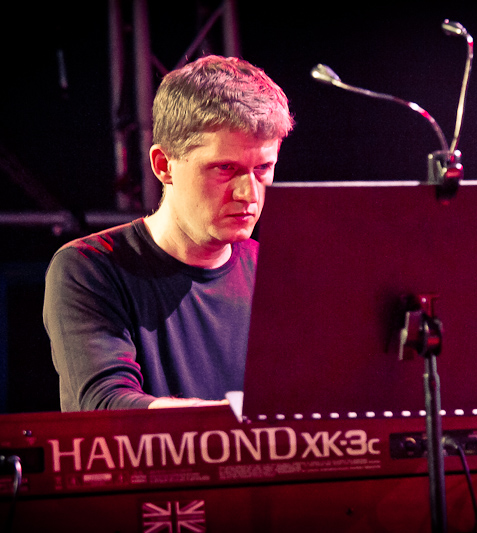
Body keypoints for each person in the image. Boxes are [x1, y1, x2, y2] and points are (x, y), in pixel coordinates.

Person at [43, 55, 295, 411]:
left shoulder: (276, 274)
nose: (249, 194)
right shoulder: (88, 268)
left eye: (263, 169)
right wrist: (242, 421)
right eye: (225, 168)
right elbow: (105, 406)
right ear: (164, 165)